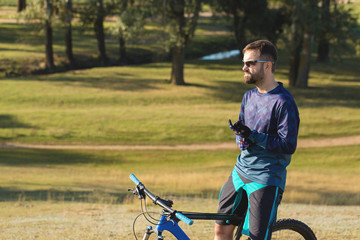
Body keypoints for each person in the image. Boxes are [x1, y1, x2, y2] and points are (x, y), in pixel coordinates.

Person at [214, 40, 300, 240]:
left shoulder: (283, 102)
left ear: (267, 66)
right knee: (221, 229)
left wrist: (253, 136)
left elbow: (288, 145)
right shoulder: (248, 97)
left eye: (250, 63)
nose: (244, 67)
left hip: (266, 177)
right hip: (240, 171)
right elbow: (243, 134)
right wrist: (242, 139)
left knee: (256, 237)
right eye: (244, 63)